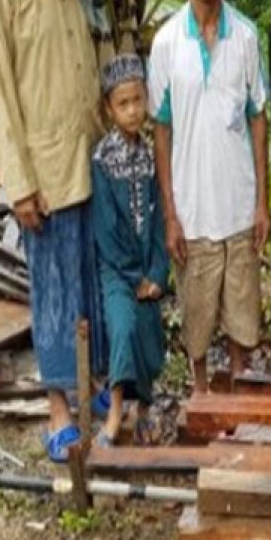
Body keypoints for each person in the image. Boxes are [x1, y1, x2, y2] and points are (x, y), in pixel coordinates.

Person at [0, 0, 109, 462]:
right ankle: (58, 407)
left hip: (92, 152)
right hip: (42, 166)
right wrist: (18, 180)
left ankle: (91, 388)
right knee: (52, 287)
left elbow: (103, 47)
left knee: (92, 280)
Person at [149, 0, 269, 393]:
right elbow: (161, 129)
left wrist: (262, 201)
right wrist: (170, 214)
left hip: (238, 206)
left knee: (243, 319)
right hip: (193, 210)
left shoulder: (244, 36)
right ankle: (200, 395)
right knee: (196, 321)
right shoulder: (166, 43)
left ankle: (239, 395)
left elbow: (259, 116)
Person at [90, 55, 169, 445]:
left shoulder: (152, 155)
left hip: (146, 270)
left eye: (138, 100)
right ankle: (116, 411)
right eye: (123, 104)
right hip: (118, 272)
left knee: (149, 331)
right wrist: (134, 275)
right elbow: (106, 228)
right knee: (122, 327)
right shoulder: (102, 161)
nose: (133, 110)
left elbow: (159, 219)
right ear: (109, 109)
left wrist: (157, 273)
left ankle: (143, 409)